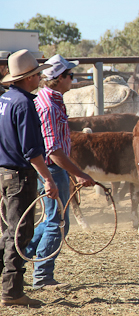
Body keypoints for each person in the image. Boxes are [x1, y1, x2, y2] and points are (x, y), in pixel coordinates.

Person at [25, 54, 95, 291]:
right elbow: (53, 151)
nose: (73, 79)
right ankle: (42, 276)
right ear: (59, 78)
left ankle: (17, 260)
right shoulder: (50, 106)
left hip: (49, 169)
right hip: (52, 169)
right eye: (70, 75)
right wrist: (81, 174)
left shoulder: (48, 100)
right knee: (58, 222)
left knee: (50, 220)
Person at [0, 50, 59, 308]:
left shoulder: (4, 100)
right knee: (20, 233)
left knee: (6, 233)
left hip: (4, 173)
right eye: (36, 74)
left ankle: (7, 285)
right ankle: (12, 293)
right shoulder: (24, 104)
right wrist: (48, 179)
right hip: (19, 176)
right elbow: (32, 150)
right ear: (28, 78)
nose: (39, 77)